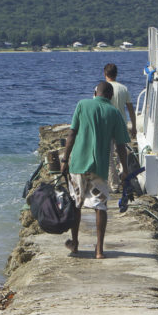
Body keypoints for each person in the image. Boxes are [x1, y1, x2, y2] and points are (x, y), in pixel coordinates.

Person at [59, 81, 130, 259]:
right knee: (100, 206)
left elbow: (72, 134)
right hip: (99, 166)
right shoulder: (114, 112)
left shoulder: (82, 105)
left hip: (78, 164)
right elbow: (121, 145)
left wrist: (65, 159)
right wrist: (125, 169)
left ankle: (74, 244)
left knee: (77, 204)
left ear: (95, 92)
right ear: (110, 96)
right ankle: (99, 250)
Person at [104, 63, 136, 190]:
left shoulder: (100, 88)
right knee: (122, 153)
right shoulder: (124, 89)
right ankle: (124, 178)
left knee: (109, 155)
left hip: (106, 125)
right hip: (121, 123)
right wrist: (133, 126)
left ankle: (114, 184)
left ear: (105, 74)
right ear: (116, 74)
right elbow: (130, 110)